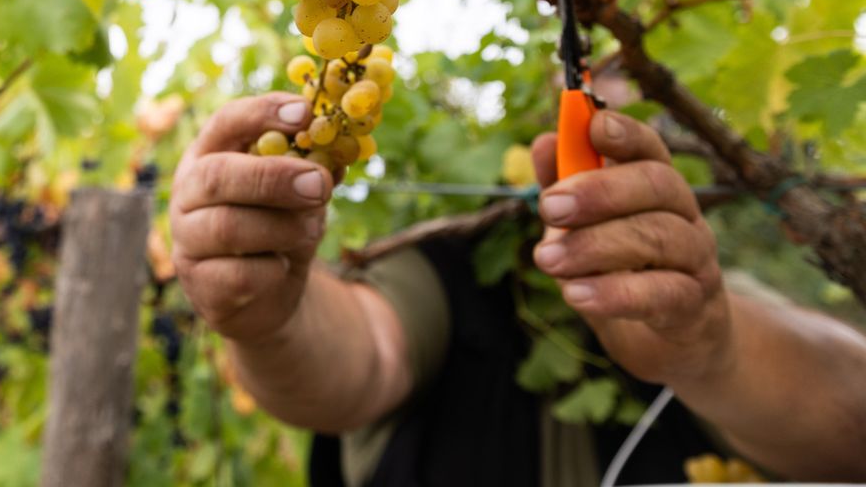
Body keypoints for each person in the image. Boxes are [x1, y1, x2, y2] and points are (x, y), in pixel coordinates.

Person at [169, 93, 866, 485]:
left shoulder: (691, 290)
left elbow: (850, 421)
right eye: (592, 87)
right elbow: (360, 359)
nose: (610, 111)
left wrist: (713, 352)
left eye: (631, 95)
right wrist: (270, 322)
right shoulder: (446, 266)